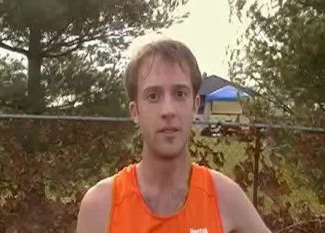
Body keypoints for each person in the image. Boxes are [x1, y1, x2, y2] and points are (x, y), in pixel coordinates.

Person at [76, 39, 271, 233]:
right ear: (135, 112)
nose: (168, 110)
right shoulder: (101, 207)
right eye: (153, 96)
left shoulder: (225, 199)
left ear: (195, 106)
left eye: (179, 94)